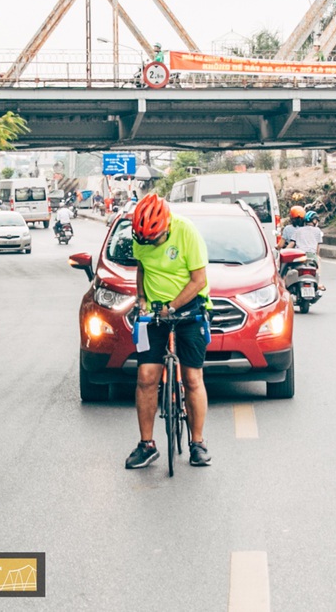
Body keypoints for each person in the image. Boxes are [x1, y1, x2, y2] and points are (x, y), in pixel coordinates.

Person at [126, 193, 212, 469]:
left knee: (192, 377)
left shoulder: (186, 231)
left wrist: (173, 307)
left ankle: (197, 442)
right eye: (145, 239)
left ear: (167, 225)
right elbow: (142, 268)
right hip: (154, 312)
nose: (150, 243)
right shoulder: (140, 237)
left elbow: (199, 280)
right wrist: (141, 299)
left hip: (189, 309)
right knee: (146, 376)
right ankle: (147, 445)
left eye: (155, 238)